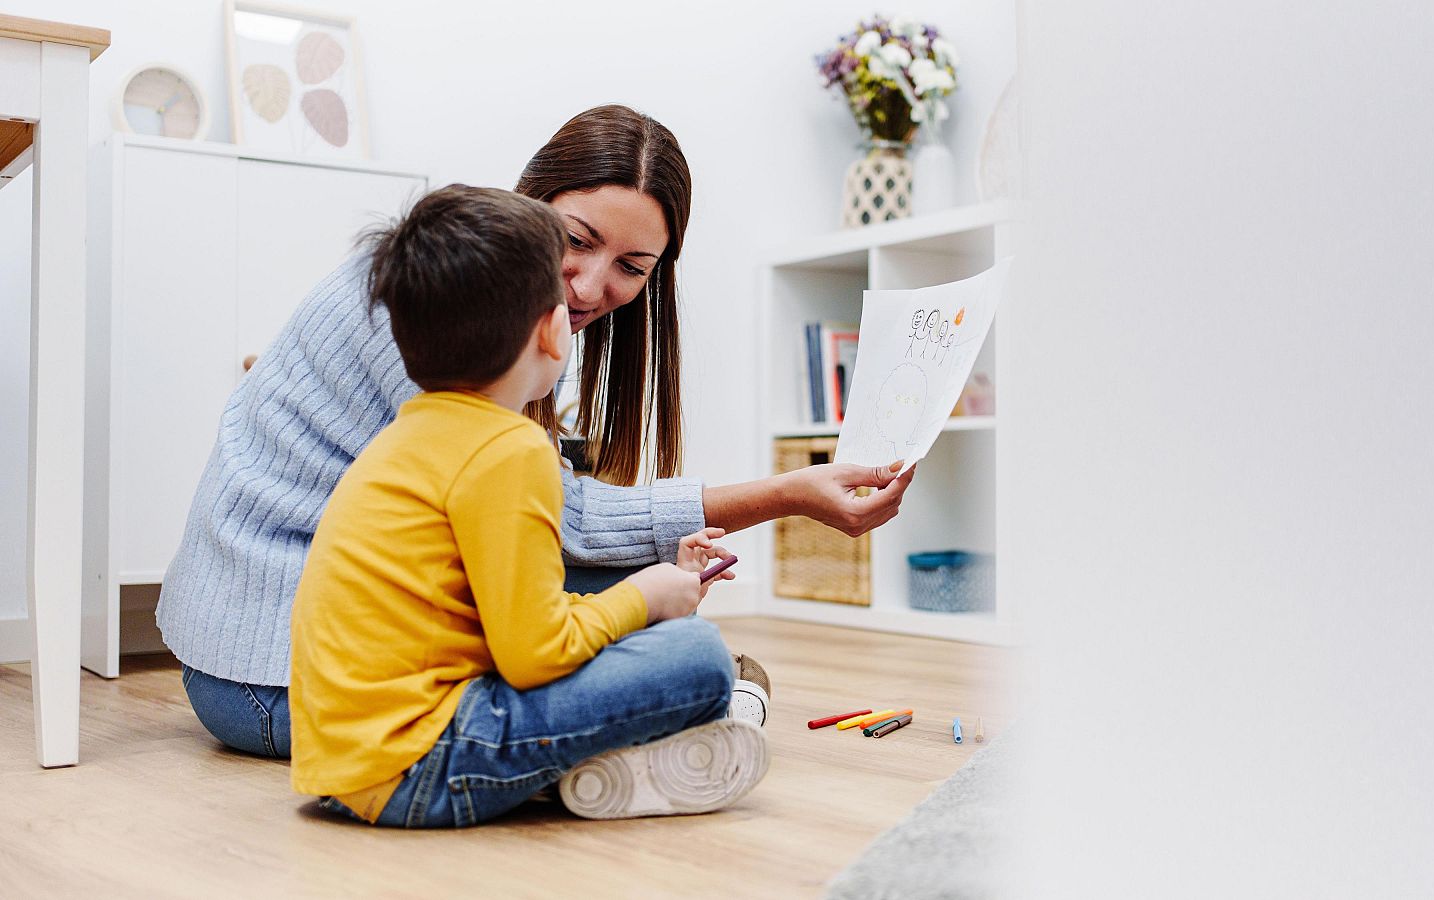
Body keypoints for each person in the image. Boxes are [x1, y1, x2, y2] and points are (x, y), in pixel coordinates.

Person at [158, 104, 915, 759]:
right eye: (576, 239)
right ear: (533, 199)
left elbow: (543, 526)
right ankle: (671, 708)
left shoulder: (486, 301)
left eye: (631, 267)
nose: (590, 286)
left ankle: (664, 694)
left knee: (641, 597)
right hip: (273, 676)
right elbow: (567, 524)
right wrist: (785, 494)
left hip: (326, 647)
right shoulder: (436, 306)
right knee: (686, 651)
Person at [292, 183, 767, 826]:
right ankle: (624, 753)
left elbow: (515, 614)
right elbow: (535, 654)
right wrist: (644, 599)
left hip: (349, 770)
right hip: (422, 767)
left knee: (647, 629)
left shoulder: (407, 437)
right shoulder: (509, 449)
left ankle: (599, 765)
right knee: (699, 659)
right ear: (550, 329)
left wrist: (639, 598)